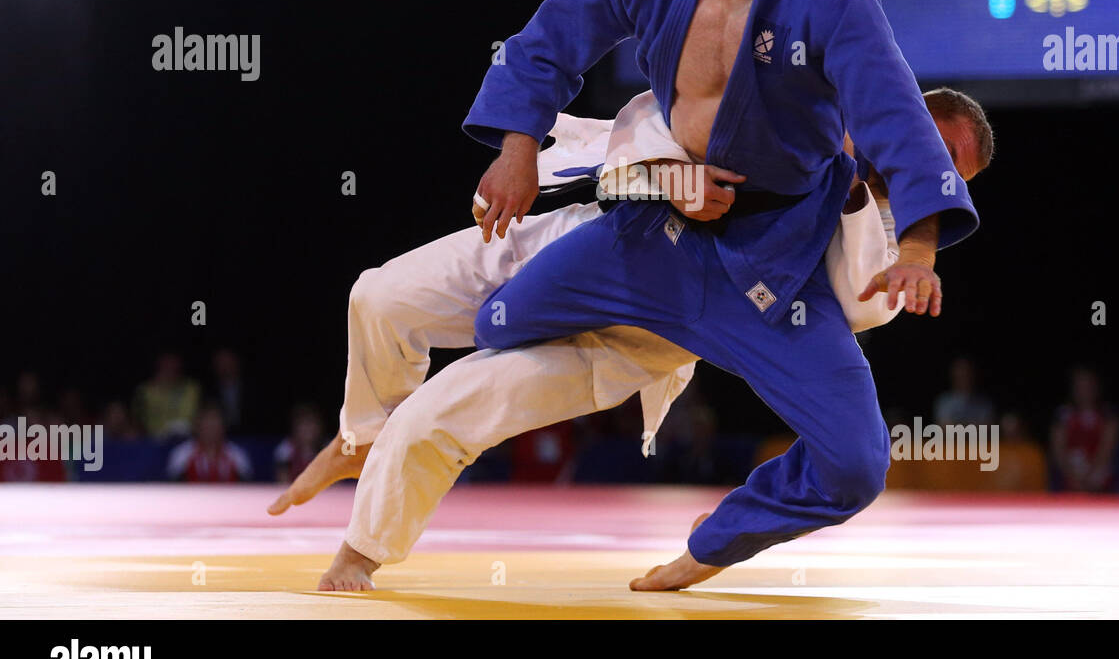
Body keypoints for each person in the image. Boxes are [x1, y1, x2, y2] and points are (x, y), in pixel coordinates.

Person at [460, 0, 979, 589]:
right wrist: (516, 147)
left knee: (857, 463)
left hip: (776, 259)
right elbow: (547, 40)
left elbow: (896, 119)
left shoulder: (834, 0)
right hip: (655, 233)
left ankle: (717, 541)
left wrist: (920, 248)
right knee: (494, 324)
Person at [271, 87, 990, 590]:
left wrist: (861, 190)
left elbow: (857, 305)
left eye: (947, 175)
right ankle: (360, 434)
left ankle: (361, 552)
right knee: (379, 294)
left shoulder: (894, 245)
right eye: (927, 145)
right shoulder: (799, 105)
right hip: (591, 236)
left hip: (634, 338)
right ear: (899, 107)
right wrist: (670, 176)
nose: (926, 172)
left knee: (444, 411)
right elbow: (664, 112)